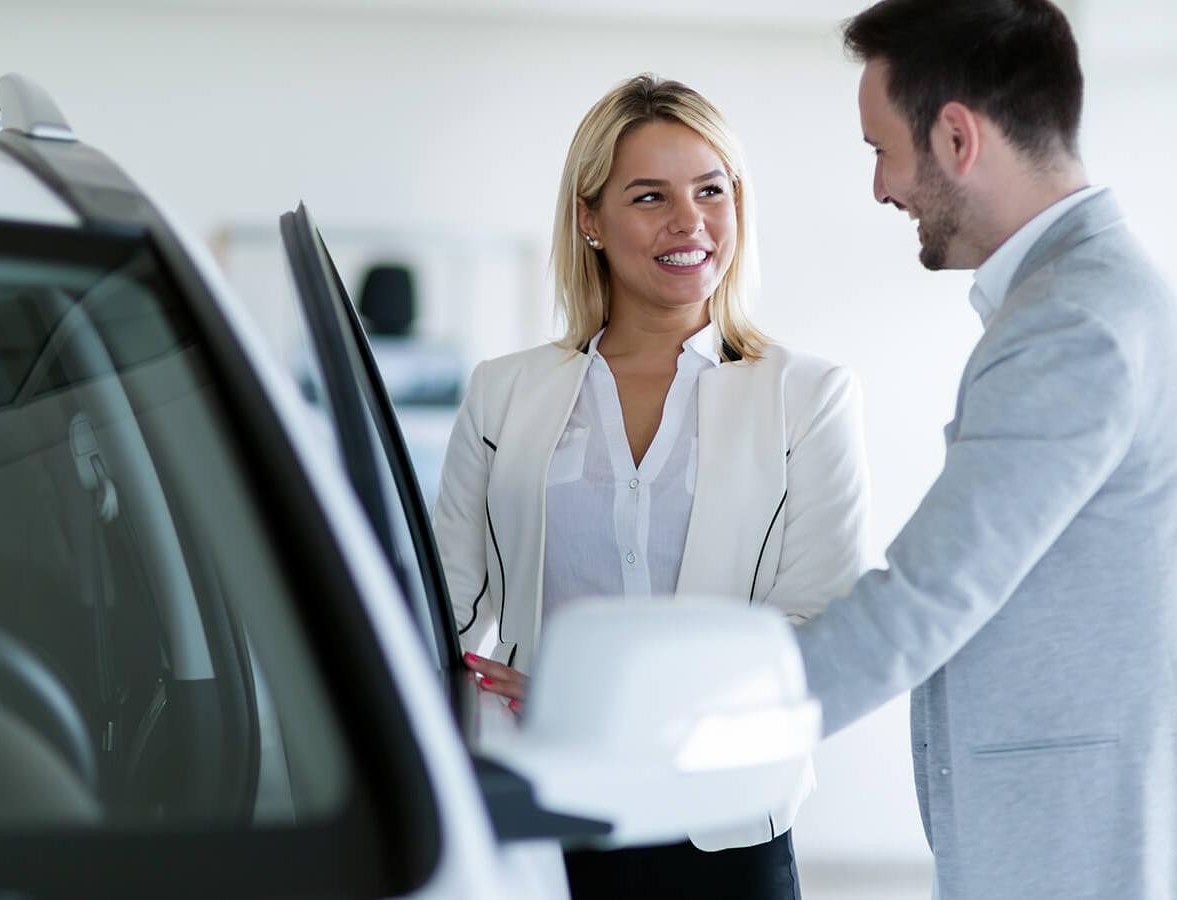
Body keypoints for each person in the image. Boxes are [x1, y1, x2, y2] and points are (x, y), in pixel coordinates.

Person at [432, 74, 869, 900]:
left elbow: (819, 622)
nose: (689, 223)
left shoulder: (806, 395)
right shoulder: (504, 391)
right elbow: (440, 608)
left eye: (711, 190)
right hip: (544, 812)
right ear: (588, 219)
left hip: (726, 824)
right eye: (649, 196)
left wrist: (609, 701)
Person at [791, 2, 1177, 898]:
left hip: (1072, 844)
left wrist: (680, 725)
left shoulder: (1071, 321)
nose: (881, 188)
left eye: (880, 150)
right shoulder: (1095, 296)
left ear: (956, 137)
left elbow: (929, 595)